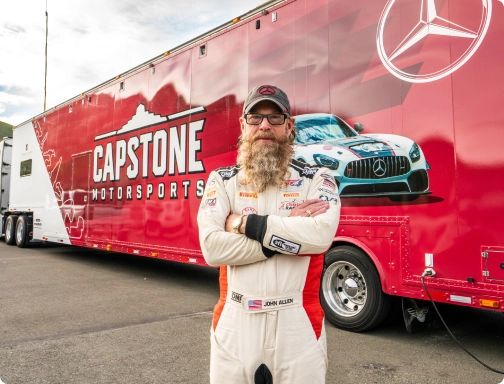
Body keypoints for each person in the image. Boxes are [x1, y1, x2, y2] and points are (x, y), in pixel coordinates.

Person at [197, 84, 340, 384]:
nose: (264, 125)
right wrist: (285, 235)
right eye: (255, 117)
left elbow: (320, 236)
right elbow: (212, 248)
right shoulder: (222, 180)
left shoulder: (318, 178)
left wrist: (243, 225)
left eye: (275, 118)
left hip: (297, 325)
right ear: (243, 125)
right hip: (235, 321)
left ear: (290, 127)